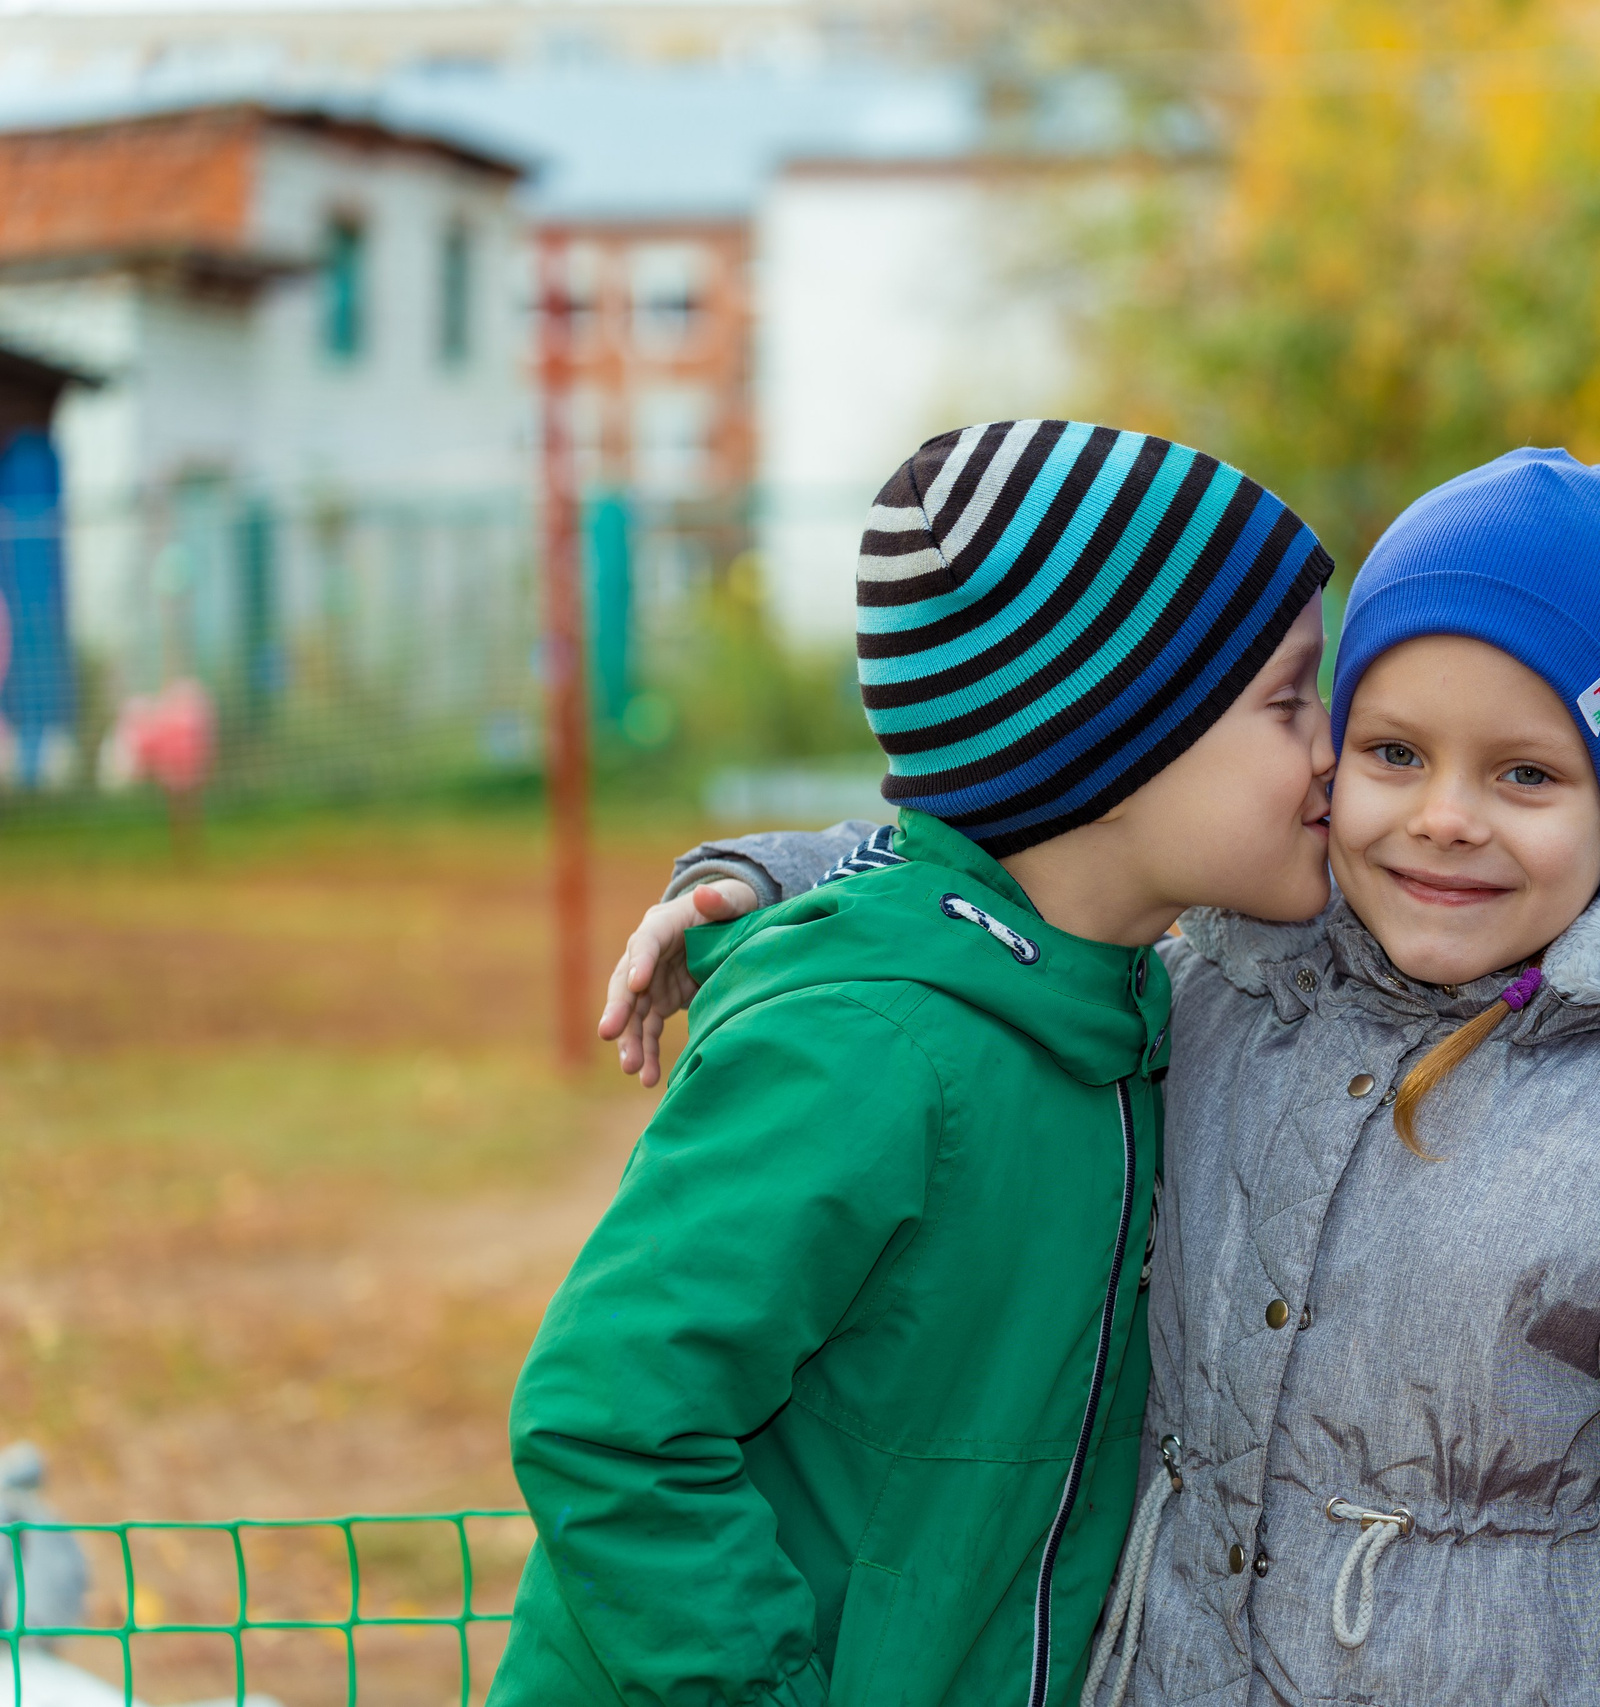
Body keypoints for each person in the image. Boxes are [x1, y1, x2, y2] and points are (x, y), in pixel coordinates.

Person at [605, 448, 1600, 1705]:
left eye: (1525, 774)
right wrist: (770, 879)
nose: (1444, 817)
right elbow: (1031, 852)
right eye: (1390, 751)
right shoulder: (1222, 996)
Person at [490, 419, 1339, 1707]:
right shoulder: (865, 1053)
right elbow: (609, 1423)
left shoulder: (1119, 1002)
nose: (1332, 748)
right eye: (1287, 700)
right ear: (1109, 743)